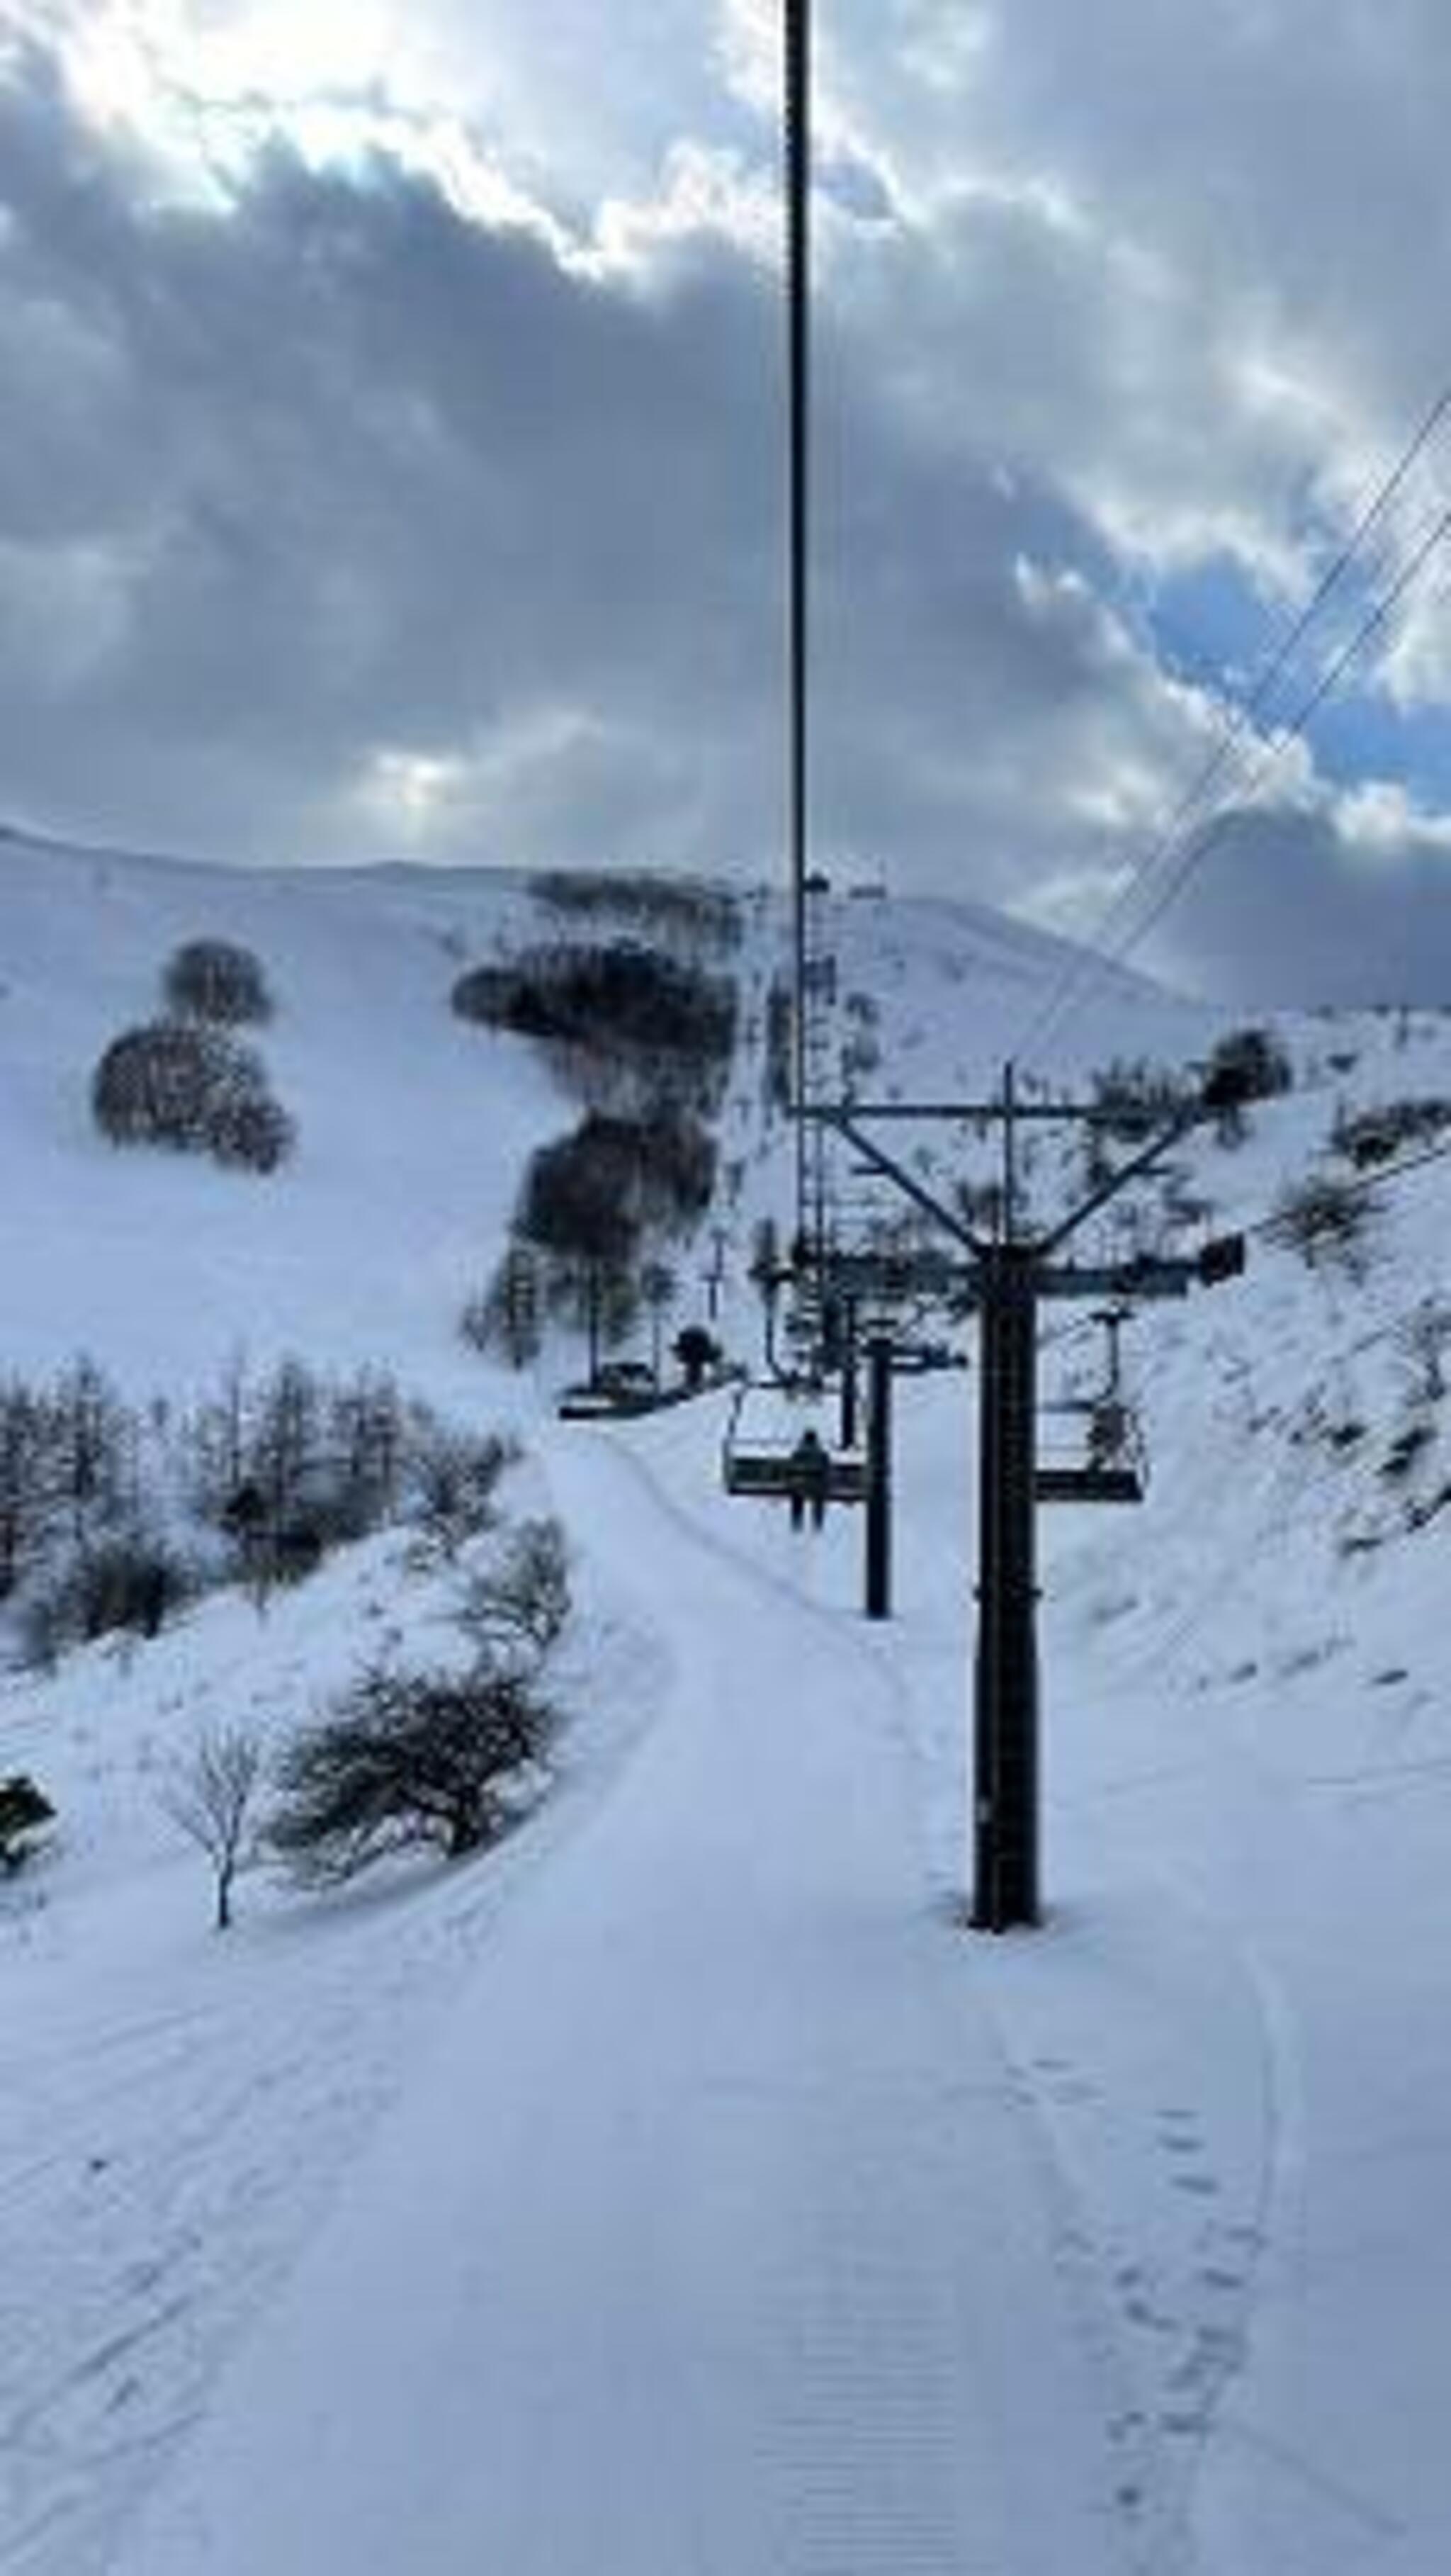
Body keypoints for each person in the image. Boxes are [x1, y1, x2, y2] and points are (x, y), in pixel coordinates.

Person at [789, 1426, 830, 1531]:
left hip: (800, 1486)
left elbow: (790, 1469)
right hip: (817, 1487)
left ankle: (797, 1520)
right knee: (819, 1497)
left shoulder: (798, 1453)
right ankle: (817, 1521)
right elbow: (827, 1470)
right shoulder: (822, 1454)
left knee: (797, 1495)